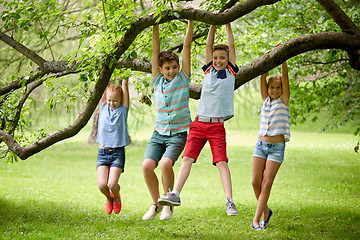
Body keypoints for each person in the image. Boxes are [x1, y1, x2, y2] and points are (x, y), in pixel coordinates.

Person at [158, 21, 239, 217]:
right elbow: (208, 46)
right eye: (216, 58)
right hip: (198, 124)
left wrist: (227, 24)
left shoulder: (231, 72)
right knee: (187, 158)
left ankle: (229, 201)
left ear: (227, 60)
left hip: (216, 125)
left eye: (222, 58)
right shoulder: (208, 70)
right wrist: (213, 24)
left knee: (222, 162)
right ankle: (175, 193)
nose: (218, 60)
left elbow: (232, 46)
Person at [141, 16, 194, 221]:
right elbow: (155, 52)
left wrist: (190, 23)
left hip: (178, 134)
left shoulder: (183, 78)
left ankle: (168, 204)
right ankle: (156, 204)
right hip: (158, 133)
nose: (171, 71)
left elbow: (187, 47)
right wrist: (155, 25)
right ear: (161, 69)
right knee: (146, 166)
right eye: (167, 68)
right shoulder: (156, 81)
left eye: (174, 67)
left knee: (165, 164)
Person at [250, 53, 290, 230]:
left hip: (276, 148)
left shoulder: (284, 100)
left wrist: (283, 59)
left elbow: (285, 78)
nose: (274, 90)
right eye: (272, 87)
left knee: (267, 183)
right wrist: (267, 58)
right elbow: (262, 76)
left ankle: (257, 219)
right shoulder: (265, 100)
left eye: (278, 87)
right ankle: (266, 209)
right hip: (260, 146)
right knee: (255, 182)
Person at [96, 79, 130, 215]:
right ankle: (109, 198)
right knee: (102, 185)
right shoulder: (103, 106)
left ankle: (116, 196)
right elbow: (103, 86)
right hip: (102, 152)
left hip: (117, 153)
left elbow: (125, 85)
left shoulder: (123, 109)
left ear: (121, 100)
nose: (112, 103)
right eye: (110, 100)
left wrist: (125, 80)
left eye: (115, 101)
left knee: (112, 184)